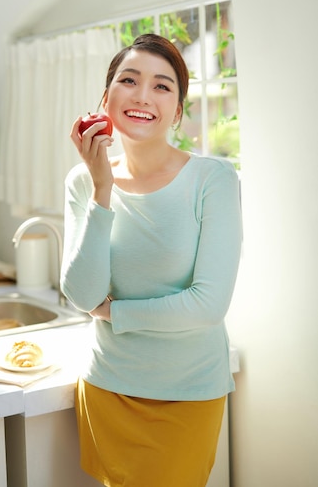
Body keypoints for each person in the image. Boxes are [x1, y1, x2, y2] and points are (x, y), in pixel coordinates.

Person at [60, 33, 242, 487]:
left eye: (162, 86)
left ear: (178, 111)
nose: (143, 96)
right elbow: (83, 295)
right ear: (106, 98)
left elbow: (208, 305)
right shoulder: (84, 182)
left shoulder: (213, 179)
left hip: (188, 391)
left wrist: (114, 312)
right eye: (129, 80)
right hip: (108, 385)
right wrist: (102, 190)